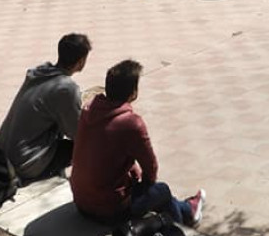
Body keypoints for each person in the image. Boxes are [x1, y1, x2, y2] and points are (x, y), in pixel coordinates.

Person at [70, 60, 205, 226]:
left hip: (81, 201)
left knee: (151, 189)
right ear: (133, 92)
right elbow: (151, 168)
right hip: (110, 210)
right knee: (161, 191)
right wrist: (146, 186)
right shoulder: (131, 123)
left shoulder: (88, 111)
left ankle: (187, 208)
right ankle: (180, 228)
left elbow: (105, 153)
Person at [0, 34, 92, 182]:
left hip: (1, 152)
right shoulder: (66, 88)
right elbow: (77, 133)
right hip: (24, 162)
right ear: (81, 61)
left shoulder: (38, 73)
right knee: (88, 144)